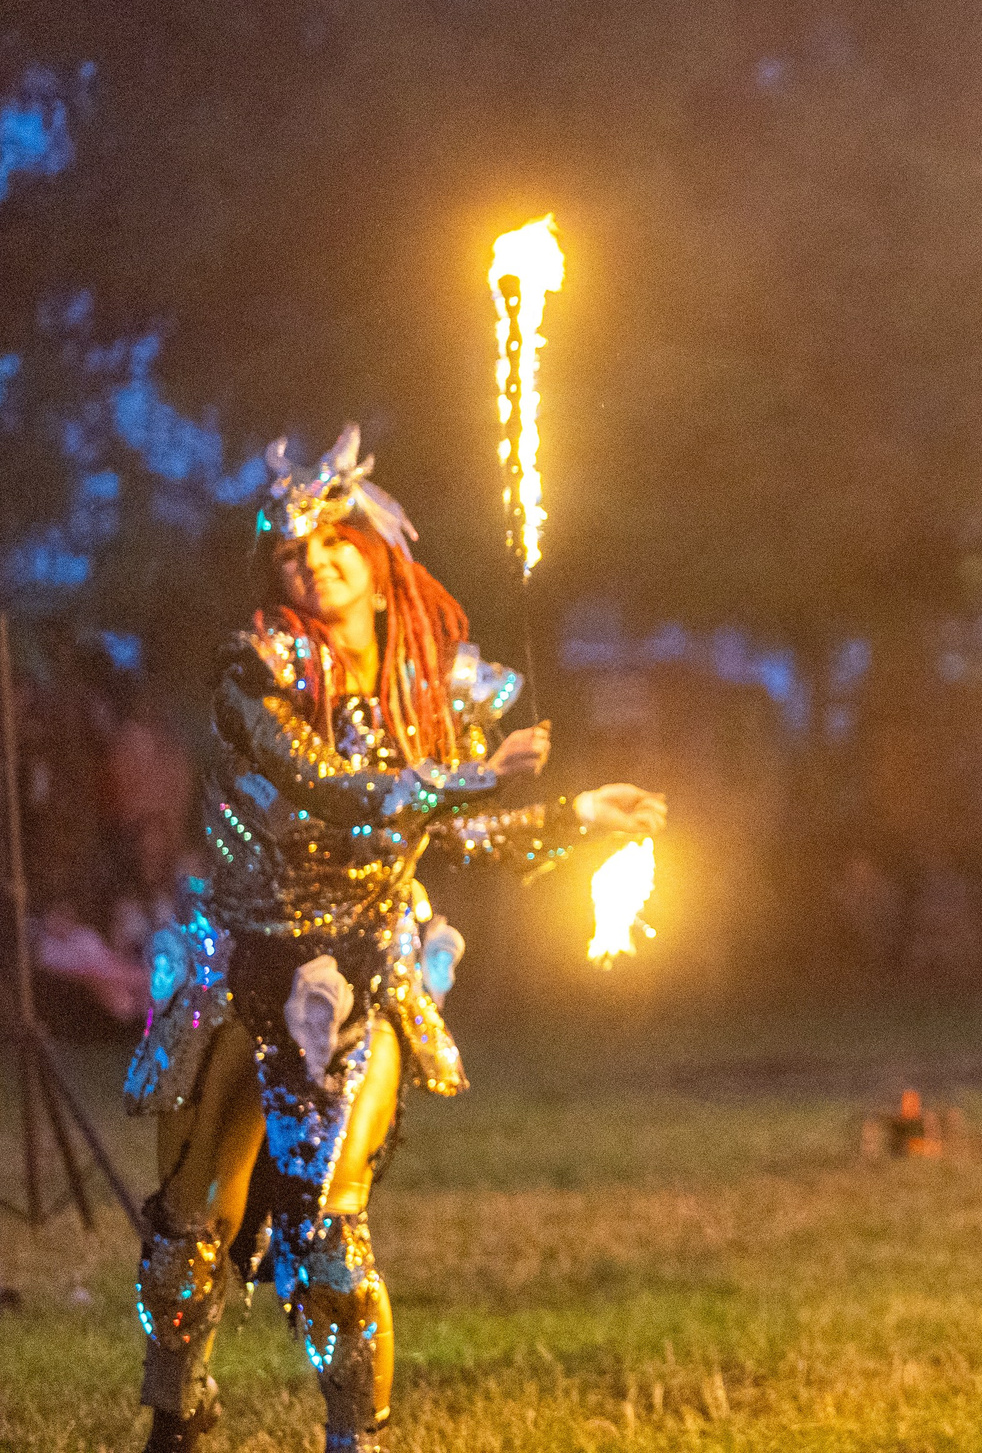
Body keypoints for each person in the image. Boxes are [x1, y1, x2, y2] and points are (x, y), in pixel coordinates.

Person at [121, 427, 667, 1453]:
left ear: (377, 553)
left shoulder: (439, 689)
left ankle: (352, 1440)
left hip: (361, 971)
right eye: (292, 553)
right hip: (235, 967)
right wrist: (471, 778)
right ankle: (177, 1417)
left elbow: (452, 834)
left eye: (335, 543)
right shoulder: (257, 668)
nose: (315, 563)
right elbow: (324, 787)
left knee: (328, 1234)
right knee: (188, 1238)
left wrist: (573, 814)